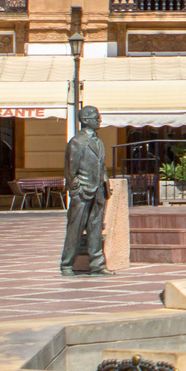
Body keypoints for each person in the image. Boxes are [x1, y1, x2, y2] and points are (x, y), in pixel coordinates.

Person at [59, 104, 109, 276]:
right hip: (82, 192)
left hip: (98, 191)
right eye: (96, 117)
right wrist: (76, 190)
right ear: (86, 120)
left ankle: (97, 265)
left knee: (96, 229)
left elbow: (101, 166)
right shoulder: (77, 142)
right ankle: (66, 264)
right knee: (75, 229)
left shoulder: (98, 141)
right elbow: (70, 170)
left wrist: (105, 185)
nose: (99, 119)